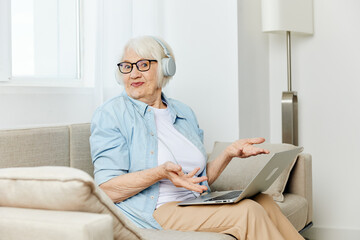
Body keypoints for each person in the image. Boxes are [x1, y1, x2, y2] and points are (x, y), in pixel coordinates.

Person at [90, 35, 304, 240]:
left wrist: (228, 154)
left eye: (143, 64)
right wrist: (159, 173)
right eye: (127, 66)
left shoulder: (183, 112)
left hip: (194, 202)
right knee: (247, 211)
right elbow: (106, 189)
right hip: (152, 210)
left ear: (166, 67)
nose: (133, 74)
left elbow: (198, 180)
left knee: (263, 201)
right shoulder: (112, 114)